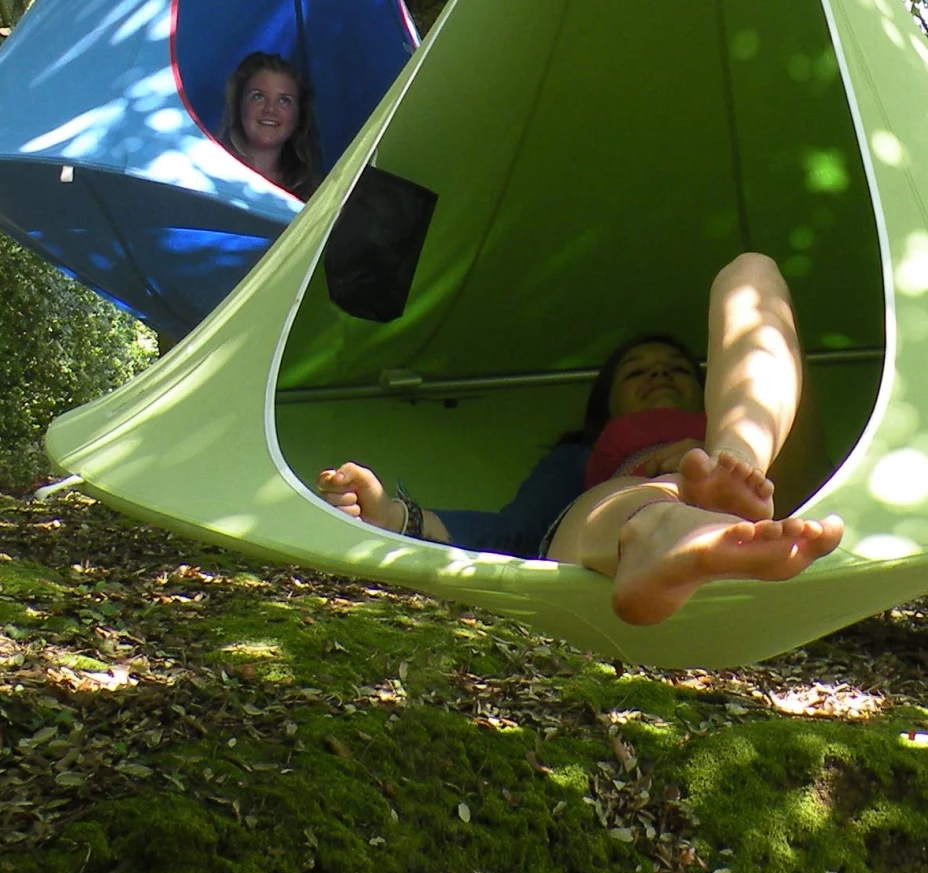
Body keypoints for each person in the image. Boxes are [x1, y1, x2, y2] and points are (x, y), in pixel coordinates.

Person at [316, 251, 840, 627]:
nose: (658, 376)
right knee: (630, 496)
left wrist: (724, 458)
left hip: (772, 482)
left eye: (676, 369)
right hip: (631, 509)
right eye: (637, 373)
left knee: (752, 270)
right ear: (607, 407)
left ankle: (731, 470)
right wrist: (393, 517)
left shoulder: (729, 411)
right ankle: (664, 529)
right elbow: (514, 533)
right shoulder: (581, 459)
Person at [220, 51, 320, 196]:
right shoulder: (206, 172)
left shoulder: (316, 194)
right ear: (238, 105)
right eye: (258, 96)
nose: (270, 109)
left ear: (299, 115)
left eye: (284, 100)